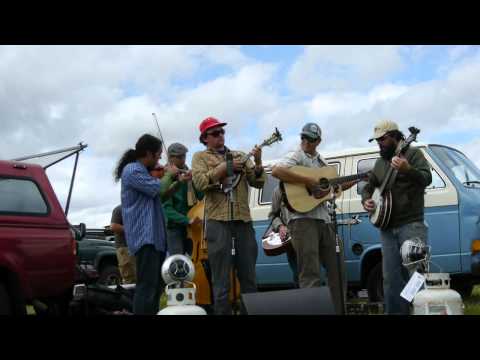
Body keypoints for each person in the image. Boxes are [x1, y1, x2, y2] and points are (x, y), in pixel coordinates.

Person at [271, 122, 356, 314]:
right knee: (310, 274)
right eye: (303, 137)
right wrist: (308, 181)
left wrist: (360, 177)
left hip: (324, 220)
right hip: (301, 220)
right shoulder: (296, 155)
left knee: (338, 270)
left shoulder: (321, 162)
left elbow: (335, 186)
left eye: (310, 139)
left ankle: (338, 311)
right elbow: (276, 171)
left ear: (318, 141)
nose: (305, 142)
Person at [191, 116, 266, 315]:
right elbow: (199, 183)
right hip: (218, 221)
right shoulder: (200, 157)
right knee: (221, 280)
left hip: (242, 220)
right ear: (205, 138)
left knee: (249, 277)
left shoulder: (239, 155)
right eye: (215, 133)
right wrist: (222, 169)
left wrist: (258, 163)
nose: (220, 136)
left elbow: (258, 182)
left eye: (222, 132)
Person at [362, 120, 432, 315]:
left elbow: (426, 179)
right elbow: (368, 187)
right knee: (390, 278)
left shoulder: (413, 154)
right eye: (377, 140)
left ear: (395, 136)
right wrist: (367, 200)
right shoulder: (380, 162)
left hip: (411, 224)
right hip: (387, 228)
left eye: (383, 139)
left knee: (416, 274)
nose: (379, 143)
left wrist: (407, 169)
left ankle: (422, 311)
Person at [114, 133, 179, 315]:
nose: (159, 159)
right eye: (158, 154)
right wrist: (169, 175)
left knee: (156, 286)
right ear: (148, 153)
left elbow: (161, 194)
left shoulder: (142, 171)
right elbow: (156, 188)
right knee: (146, 287)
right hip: (145, 238)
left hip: (155, 238)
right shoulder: (132, 170)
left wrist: (178, 182)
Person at [163, 142, 203, 256]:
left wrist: (194, 180)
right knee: (178, 261)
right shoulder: (166, 177)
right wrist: (187, 220)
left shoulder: (188, 173)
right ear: (170, 158)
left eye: (184, 156)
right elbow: (167, 210)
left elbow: (201, 196)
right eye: (179, 157)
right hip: (175, 228)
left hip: (192, 226)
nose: (183, 159)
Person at [110, 204, 136, 284]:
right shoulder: (119, 209)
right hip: (124, 247)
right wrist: (133, 230)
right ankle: (129, 295)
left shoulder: (136, 208)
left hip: (137, 246)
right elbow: (113, 226)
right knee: (129, 276)